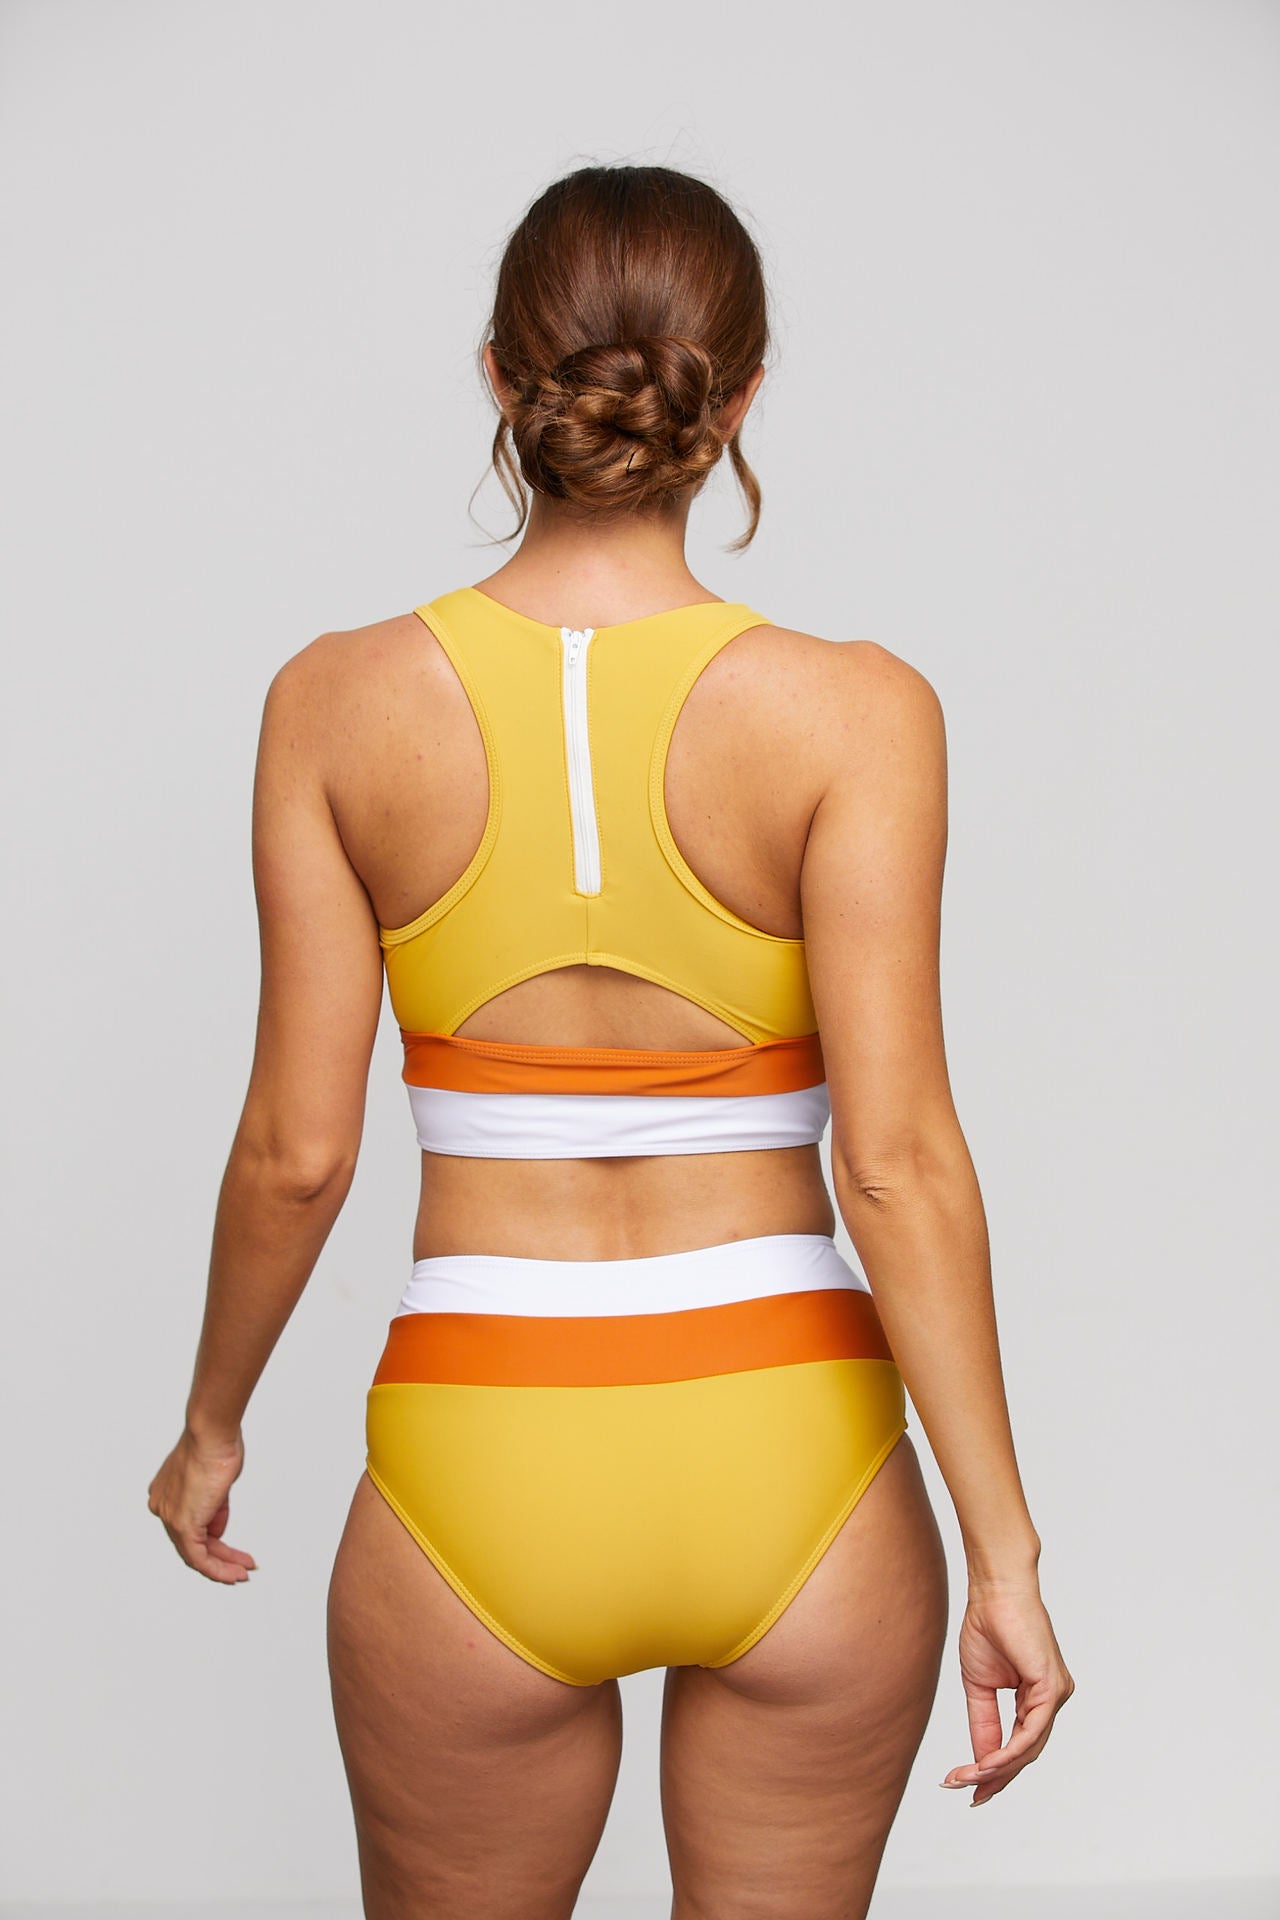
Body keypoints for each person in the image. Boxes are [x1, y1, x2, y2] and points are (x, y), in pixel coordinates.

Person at [148, 162, 1074, 1918]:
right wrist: (1005, 1552)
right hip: (798, 1461)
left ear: (503, 375)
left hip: (481, 1460)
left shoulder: (332, 704)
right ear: (742, 396)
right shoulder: (858, 713)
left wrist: (211, 1425)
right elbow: (895, 1164)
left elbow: (299, 1155)